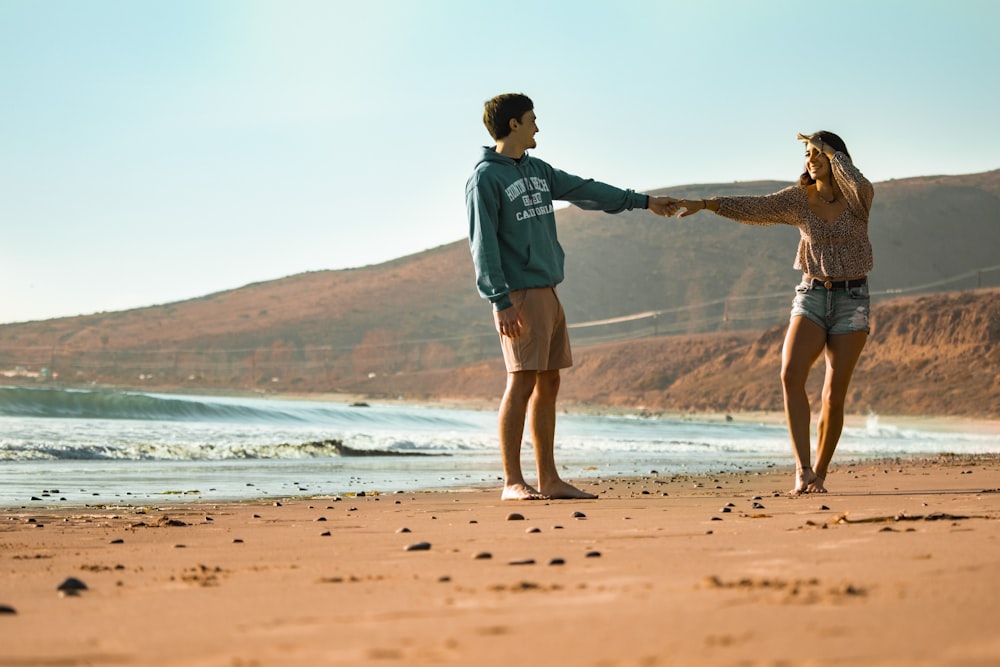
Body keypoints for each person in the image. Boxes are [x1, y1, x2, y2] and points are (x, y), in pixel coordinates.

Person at [466, 92, 677, 500]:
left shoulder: (537, 169)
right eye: (532, 119)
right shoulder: (485, 178)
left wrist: (644, 202)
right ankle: (512, 482)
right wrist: (499, 299)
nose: (537, 127)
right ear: (514, 124)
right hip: (519, 294)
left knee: (549, 382)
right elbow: (483, 244)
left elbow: (586, 189)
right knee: (522, 382)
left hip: (548, 289)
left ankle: (549, 479)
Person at [673, 131, 875, 494]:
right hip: (812, 295)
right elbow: (757, 207)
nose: (810, 159)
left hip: (852, 300)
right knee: (789, 374)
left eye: (818, 153)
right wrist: (707, 204)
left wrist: (830, 148)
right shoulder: (800, 199)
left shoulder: (859, 199)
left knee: (833, 394)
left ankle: (820, 476)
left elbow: (856, 179)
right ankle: (802, 469)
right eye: (807, 153)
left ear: (836, 157)